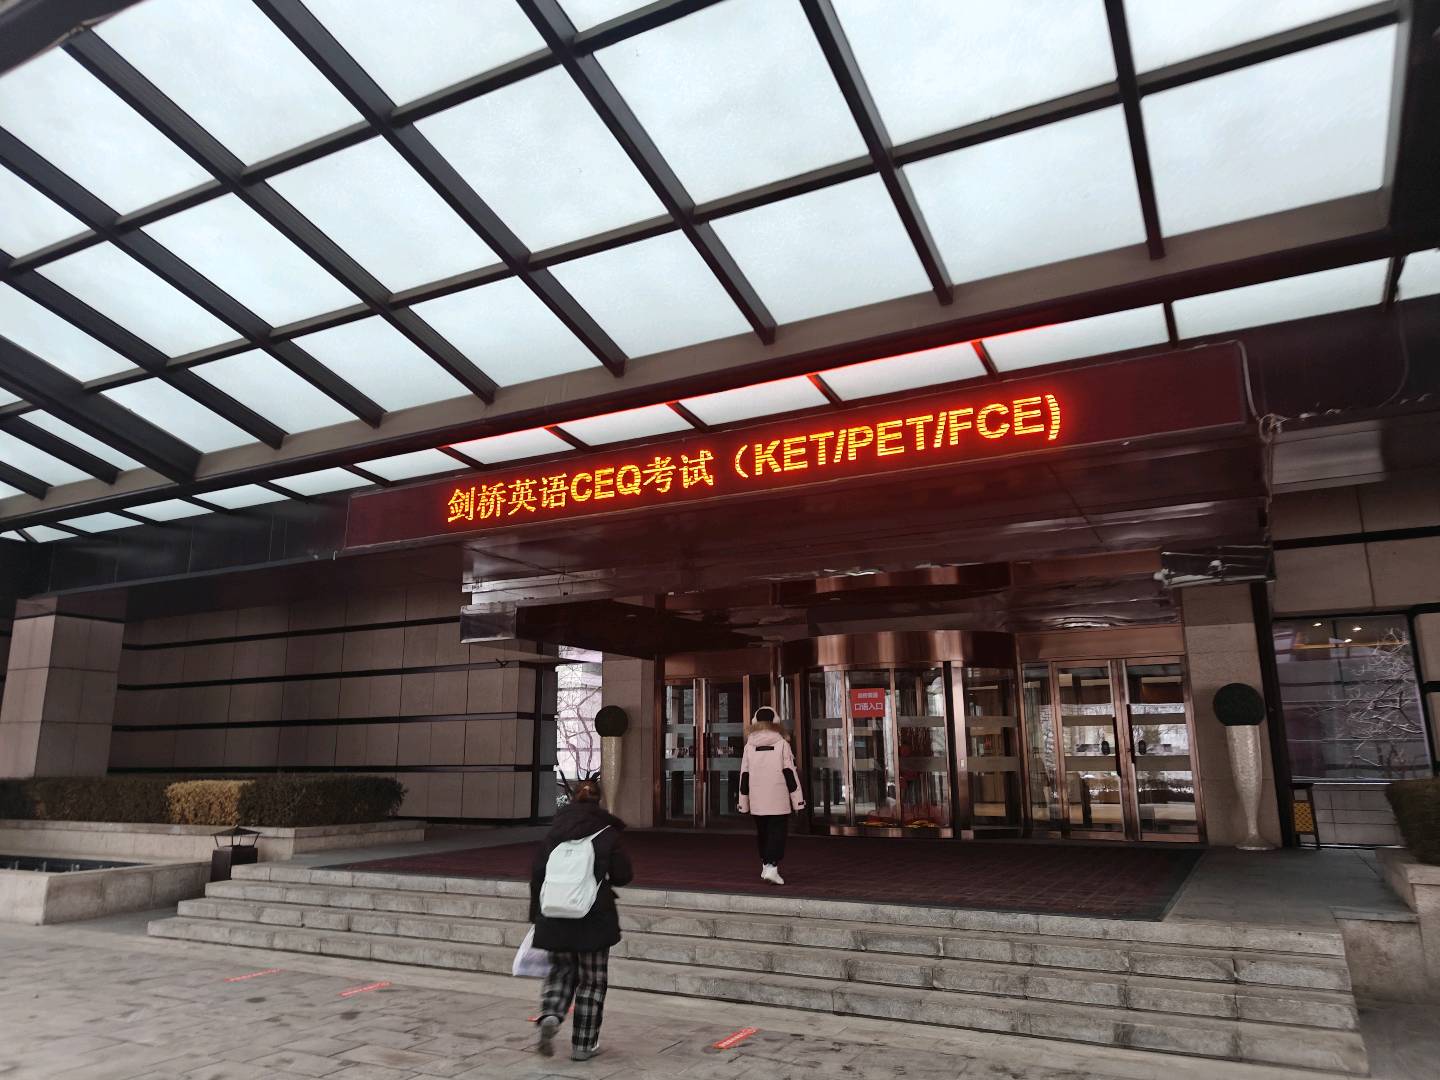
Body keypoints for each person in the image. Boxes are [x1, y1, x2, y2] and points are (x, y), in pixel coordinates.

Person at [529, 776, 632, 1062]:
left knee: (561, 971)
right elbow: (623, 875)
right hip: (593, 917)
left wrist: (537, 914)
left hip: (555, 914)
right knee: (592, 981)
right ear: (598, 801)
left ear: (573, 798)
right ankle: (584, 1044)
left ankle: (551, 1014)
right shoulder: (607, 833)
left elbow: (537, 874)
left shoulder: (555, 832)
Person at [737, 706, 804, 884]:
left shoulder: (749, 746)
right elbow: (790, 773)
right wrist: (798, 801)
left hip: (757, 799)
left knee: (763, 833)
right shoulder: (782, 744)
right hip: (778, 798)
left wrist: (743, 802)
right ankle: (772, 867)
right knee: (777, 833)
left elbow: (744, 776)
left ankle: (766, 865)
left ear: (755, 722)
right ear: (776, 722)